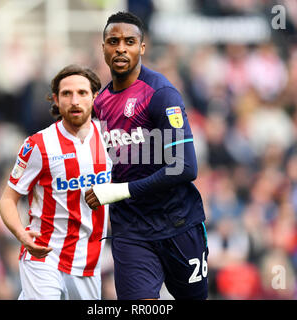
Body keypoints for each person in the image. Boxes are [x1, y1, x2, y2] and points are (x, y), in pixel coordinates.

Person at [85, 11, 208, 300]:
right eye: (113, 41)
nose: (120, 48)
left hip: (178, 223)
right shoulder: (99, 104)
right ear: (103, 47)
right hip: (131, 231)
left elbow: (185, 167)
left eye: (129, 41)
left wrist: (119, 191)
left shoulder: (161, 94)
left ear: (142, 47)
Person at [0, 65, 112, 300]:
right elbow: (8, 200)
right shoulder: (38, 145)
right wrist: (21, 233)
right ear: (56, 100)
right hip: (43, 253)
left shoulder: (112, 140)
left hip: (88, 260)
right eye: (67, 94)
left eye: (82, 93)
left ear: (95, 97)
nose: (75, 100)